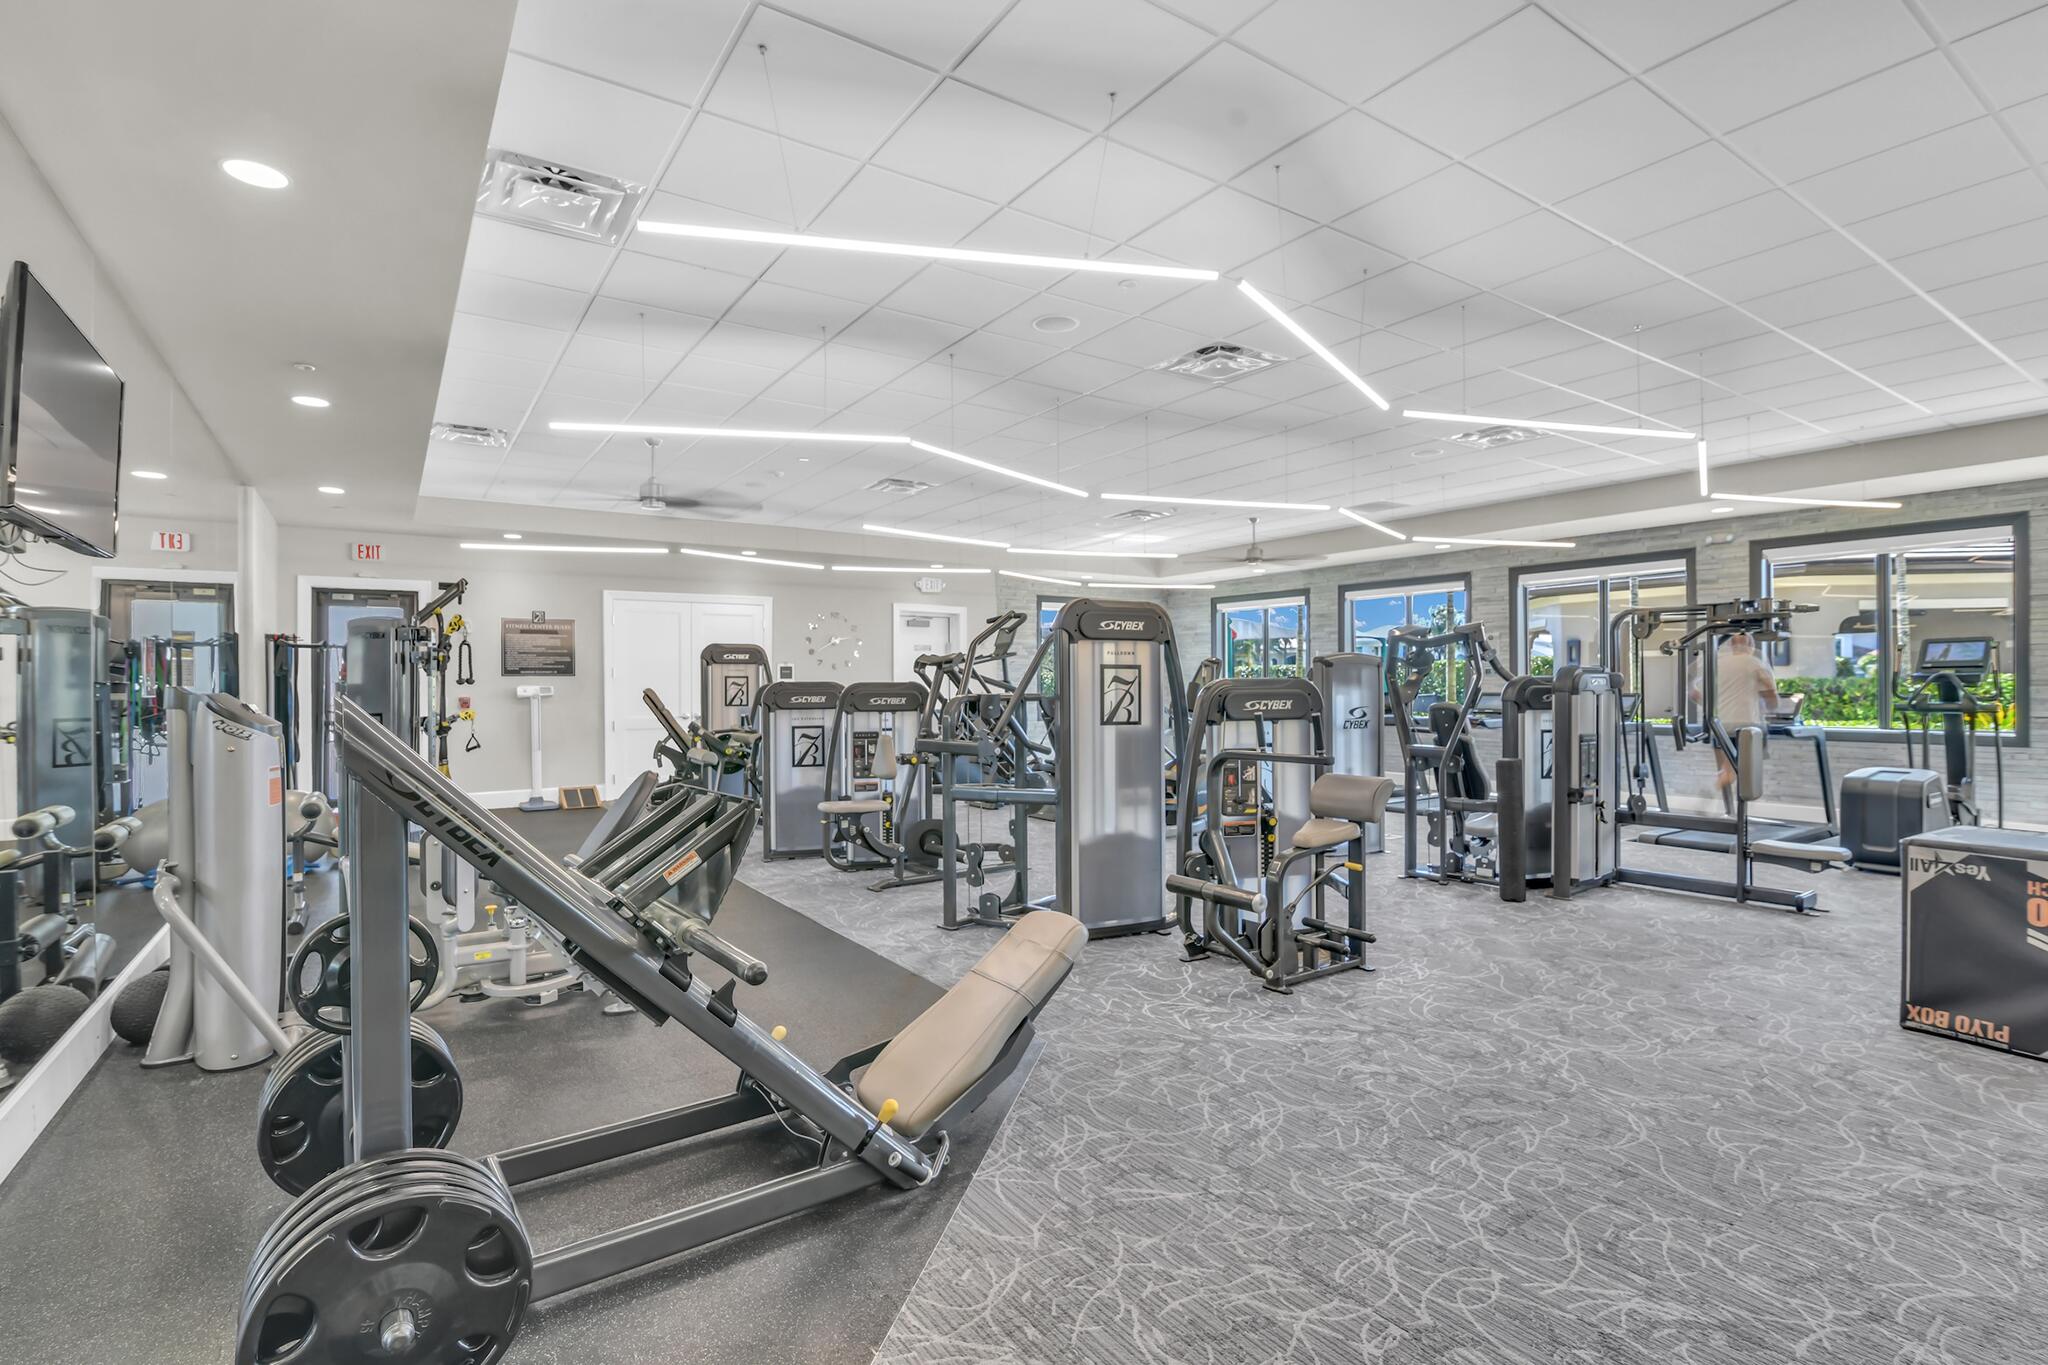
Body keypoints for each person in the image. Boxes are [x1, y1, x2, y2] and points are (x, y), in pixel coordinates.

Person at [1713, 632, 1780, 805]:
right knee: (1742, 774)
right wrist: (1772, 708)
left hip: (1719, 725)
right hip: (1746, 725)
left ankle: (1727, 810)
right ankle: (1714, 801)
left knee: (1726, 770)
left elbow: (1697, 692)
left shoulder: (1717, 664)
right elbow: (1771, 697)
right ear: (1750, 644)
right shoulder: (1755, 664)